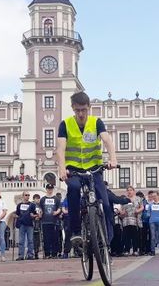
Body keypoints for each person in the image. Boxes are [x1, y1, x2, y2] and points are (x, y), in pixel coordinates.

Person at [56, 91, 118, 249]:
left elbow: (107, 140)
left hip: (94, 169)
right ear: (73, 108)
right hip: (74, 169)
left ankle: (106, 244)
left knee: (104, 202)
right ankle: (76, 232)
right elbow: (60, 149)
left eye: (84, 109)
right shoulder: (65, 124)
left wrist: (113, 158)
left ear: (89, 107)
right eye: (77, 110)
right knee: (74, 189)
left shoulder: (96, 122)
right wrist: (62, 168)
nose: (81, 113)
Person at [40, 183, 62, 258]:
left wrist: (57, 212)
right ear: (46, 189)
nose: (50, 190)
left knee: (55, 238)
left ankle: (54, 253)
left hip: (54, 221)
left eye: (51, 189)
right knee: (46, 238)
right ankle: (47, 253)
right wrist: (40, 213)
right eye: (49, 189)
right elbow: (40, 209)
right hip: (45, 221)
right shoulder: (43, 199)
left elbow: (59, 208)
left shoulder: (56, 199)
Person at [119, 186, 143, 256]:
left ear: (133, 191)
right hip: (126, 220)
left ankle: (135, 250)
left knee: (135, 236)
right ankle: (127, 250)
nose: (129, 192)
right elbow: (121, 209)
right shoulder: (124, 199)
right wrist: (122, 212)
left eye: (130, 190)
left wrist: (137, 211)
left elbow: (142, 207)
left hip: (135, 220)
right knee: (126, 236)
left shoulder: (138, 199)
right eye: (128, 190)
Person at [15, 191, 35, 260]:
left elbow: (35, 214)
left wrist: (34, 216)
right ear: (23, 196)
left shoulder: (32, 205)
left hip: (29, 224)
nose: (27, 196)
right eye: (26, 195)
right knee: (21, 241)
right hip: (22, 224)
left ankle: (30, 255)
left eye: (28, 195)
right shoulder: (19, 205)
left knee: (30, 240)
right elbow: (17, 214)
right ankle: (21, 255)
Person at [31, 194, 42, 259]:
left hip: (38, 223)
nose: (38, 200)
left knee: (37, 239)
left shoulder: (40, 206)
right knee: (32, 239)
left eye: (38, 198)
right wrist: (35, 216)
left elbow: (41, 212)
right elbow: (30, 213)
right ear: (34, 199)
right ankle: (32, 252)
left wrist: (39, 216)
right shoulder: (31, 205)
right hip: (32, 223)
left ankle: (36, 252)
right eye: (36, 198)